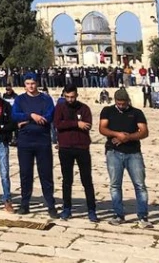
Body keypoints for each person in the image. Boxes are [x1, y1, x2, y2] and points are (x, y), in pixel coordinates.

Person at [99, 88, 152, 228]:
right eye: (119, 103)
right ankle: (118, 214)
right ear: (115, 101)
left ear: (128, 101)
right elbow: (102, 129)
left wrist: (128, 137)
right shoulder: (107, 111)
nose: (121, 106)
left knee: (140, 185)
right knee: (115, 185)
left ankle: (143, 216)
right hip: (113, 152)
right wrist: (117, 135)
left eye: (124, 103)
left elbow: (144, 131)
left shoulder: (136, 113)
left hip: (133, 153)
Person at [12, 72, 58, 217]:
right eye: (27, 84)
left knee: (46, 173)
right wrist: (31, 115)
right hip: (25, 141)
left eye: (32, 83)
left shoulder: (45, 99)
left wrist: (27, 120)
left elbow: (49, 116)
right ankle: (24, 204)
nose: (30, 86)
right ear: (24, 85)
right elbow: (15, 115)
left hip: (42, 140)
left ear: (37, 83)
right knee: (26, 174)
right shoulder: (20, 99)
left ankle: (51, 205)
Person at [53, 84, 98, 222]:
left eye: (72, 97)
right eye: (67, 97)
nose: (70, 99)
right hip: (66, 147)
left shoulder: (84, 108)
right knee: (67, 180)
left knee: (87, 180)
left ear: (77, 95)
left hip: (81, 147)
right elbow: (57, 124)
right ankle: (67, 208)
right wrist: (76, 124)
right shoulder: (60, 107)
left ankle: (91, 210)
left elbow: (88, 125)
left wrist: (71, 123)